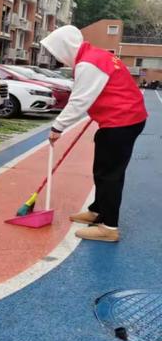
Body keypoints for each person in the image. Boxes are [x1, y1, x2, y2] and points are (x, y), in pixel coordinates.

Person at [41, 25, 147, 243]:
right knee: (102, 169)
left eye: (57, 52)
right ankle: (98, 210)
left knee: (110, 174)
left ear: (65, 47)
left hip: (122, 121)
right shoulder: (94, 56)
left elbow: (79, 100)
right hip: (121, 119)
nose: (58, 58)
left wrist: (58, 127)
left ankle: (109, 227)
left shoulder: (90, 63)